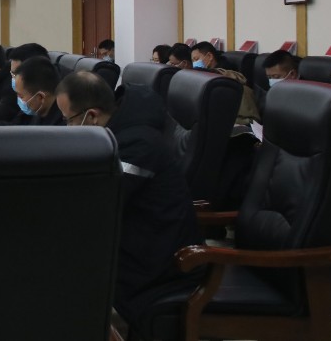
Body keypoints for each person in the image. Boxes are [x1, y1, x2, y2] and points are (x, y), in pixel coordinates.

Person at [55, 70, 203, 324]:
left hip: (159, 264)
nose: (67, 127)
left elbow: (101, 202)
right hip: (139, 244)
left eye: (68, 120)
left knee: (60, 260)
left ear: (92, 116)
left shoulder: (138, 144)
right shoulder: (118, 133)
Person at [193, 41, 259, 125]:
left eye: (196, 59)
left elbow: (252, 121)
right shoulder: (206, 80)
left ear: (209, 56)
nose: (194, 64)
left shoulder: (237, 86)